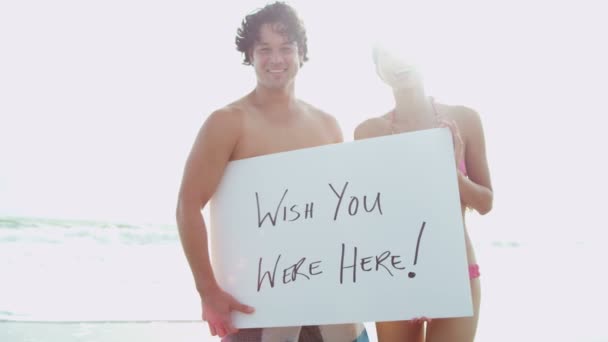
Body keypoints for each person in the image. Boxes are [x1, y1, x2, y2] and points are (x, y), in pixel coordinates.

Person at [176, 2, 368, 341]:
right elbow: (188, 205)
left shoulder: (327, 125)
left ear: (301, 53)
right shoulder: (228, 121)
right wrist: (208, 291)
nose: (275, 59)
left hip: (328, 298)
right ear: (249, 54)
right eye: (264, 49)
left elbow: (344, 216)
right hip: (259, 305)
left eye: (286, 48)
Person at [354, 45, 493, 342]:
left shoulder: (465, 119)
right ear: (377, 69)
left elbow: (485, 202)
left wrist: (451, 171)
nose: (398, 60)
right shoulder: (368, 131)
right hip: (393, 273)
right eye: (387, 54)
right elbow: (367, 213)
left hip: (455, 271)